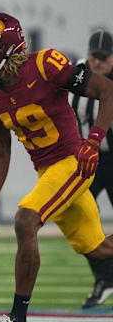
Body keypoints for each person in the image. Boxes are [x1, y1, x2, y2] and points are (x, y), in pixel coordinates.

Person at [0, 12, 113, 322]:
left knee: (25, 220)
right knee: (99, 249)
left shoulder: (45, 66)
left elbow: (107, 91)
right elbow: (1, 152)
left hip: (74, 162)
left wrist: (93, 141)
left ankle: (17, 316)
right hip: (48, 172)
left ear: (2, 50)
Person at [70, 30, 113, 308]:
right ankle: (105, 277)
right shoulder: (77, 76)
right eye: (93, 56)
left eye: (103, 57)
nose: (97, 62)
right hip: (90, 160)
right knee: (78, 216)